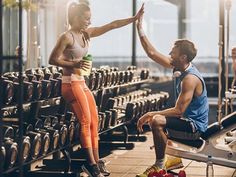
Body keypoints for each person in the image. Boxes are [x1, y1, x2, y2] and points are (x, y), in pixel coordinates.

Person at [49, 2, 144, 177]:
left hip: (81, 81)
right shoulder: (66, 37)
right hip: (70, 83)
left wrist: (134, 18)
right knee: (85, 121)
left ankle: (97, 162)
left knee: (95, 120)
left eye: (90, 18)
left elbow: (112, 25)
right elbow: (52, 59)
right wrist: (74, 63)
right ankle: (90, 164)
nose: (89, 21)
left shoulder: (86, 34)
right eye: (86, 18)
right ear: (75, 18)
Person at [135, 10, 209, 177]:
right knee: (161, 119)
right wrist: (139, 28)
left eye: (173, 53)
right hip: (186, 120)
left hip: (195, 127)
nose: (169, 54)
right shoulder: (180, 66)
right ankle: (173, 159)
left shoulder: (190, 79)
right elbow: (152, 53)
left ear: (183, 57)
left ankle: (159, 165)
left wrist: (149, 113)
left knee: (157, 120)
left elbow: (178, 111)